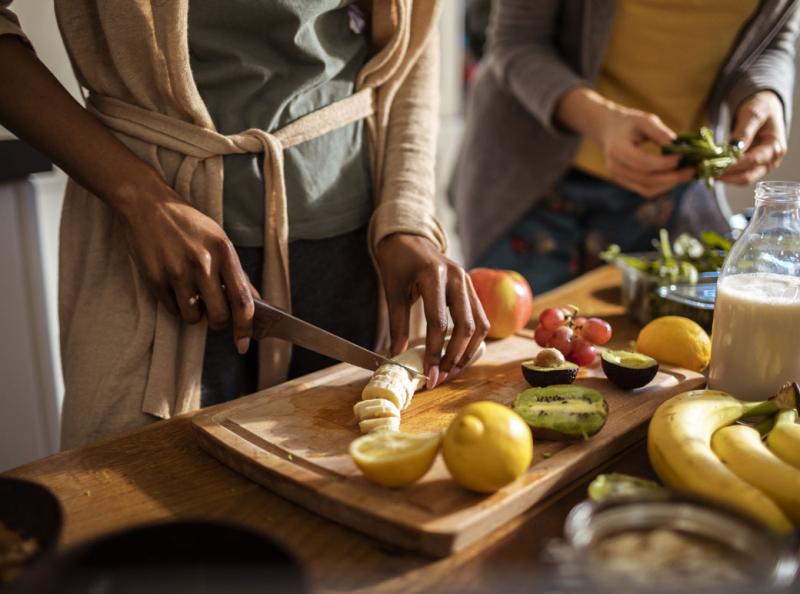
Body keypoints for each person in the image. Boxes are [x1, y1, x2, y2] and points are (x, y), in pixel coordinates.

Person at [0, 1, 489, 449]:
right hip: (154, 262)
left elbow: (414, 40)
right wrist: (139, 198)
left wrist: (407, 217)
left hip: (357, 257)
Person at [451, 0, 799, 293]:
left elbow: (773, 37)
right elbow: (516, 42)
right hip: (529, 184)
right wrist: (602, 121)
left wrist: (765, 94)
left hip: (669, 196)